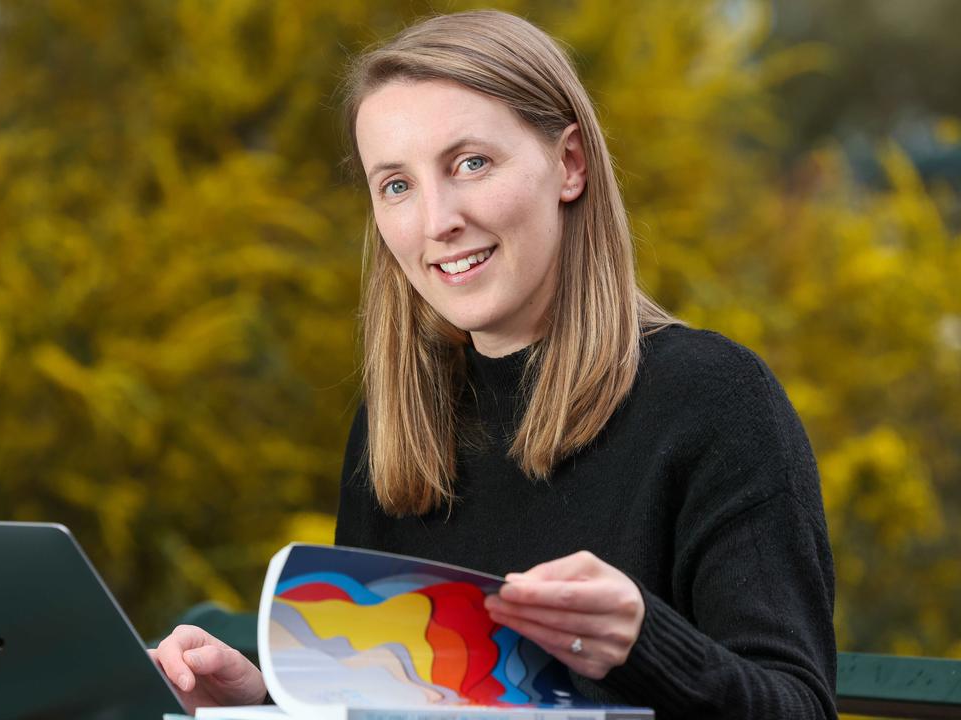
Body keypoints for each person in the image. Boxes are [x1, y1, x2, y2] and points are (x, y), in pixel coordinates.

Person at [152, 10, 837, 719]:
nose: (435, 219)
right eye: (397, 185)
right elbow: (385, 706)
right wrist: (259, 701)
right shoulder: (400, 429)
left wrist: (645, 645)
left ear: (569, 164)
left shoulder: (713, 399)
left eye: (470, 163)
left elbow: (799, 708)